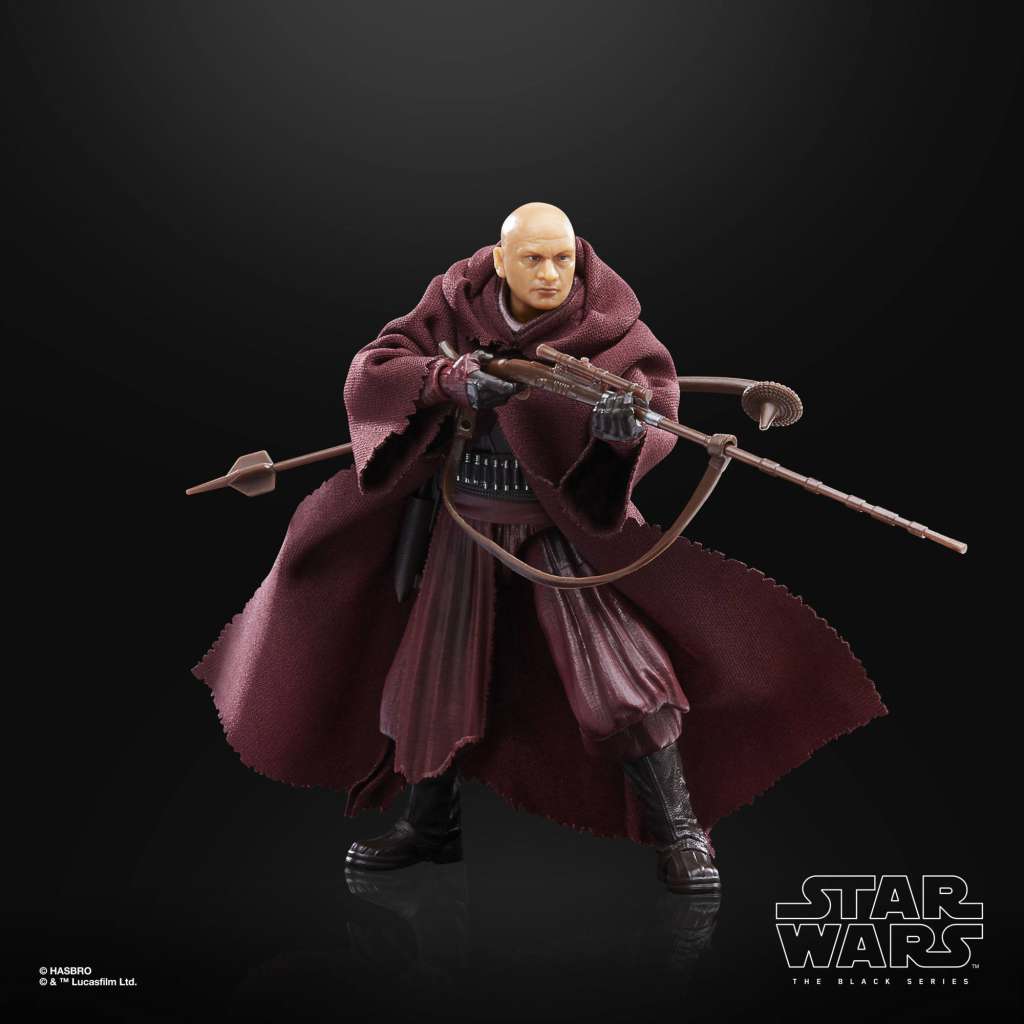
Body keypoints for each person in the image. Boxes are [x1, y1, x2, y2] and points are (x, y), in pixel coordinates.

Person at [193, 202, 886, 894]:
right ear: (501, 262)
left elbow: (655, 400)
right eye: (533, 259)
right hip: (463, 520)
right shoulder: (453, 307)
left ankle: (680, 830)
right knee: (432, 678)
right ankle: (431, 826)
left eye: (562, 259)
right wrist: (447, 380)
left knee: (622, 676)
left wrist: (620, 436)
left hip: (556, 524)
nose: (552, 274)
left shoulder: (606, 323)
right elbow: (375, 370)